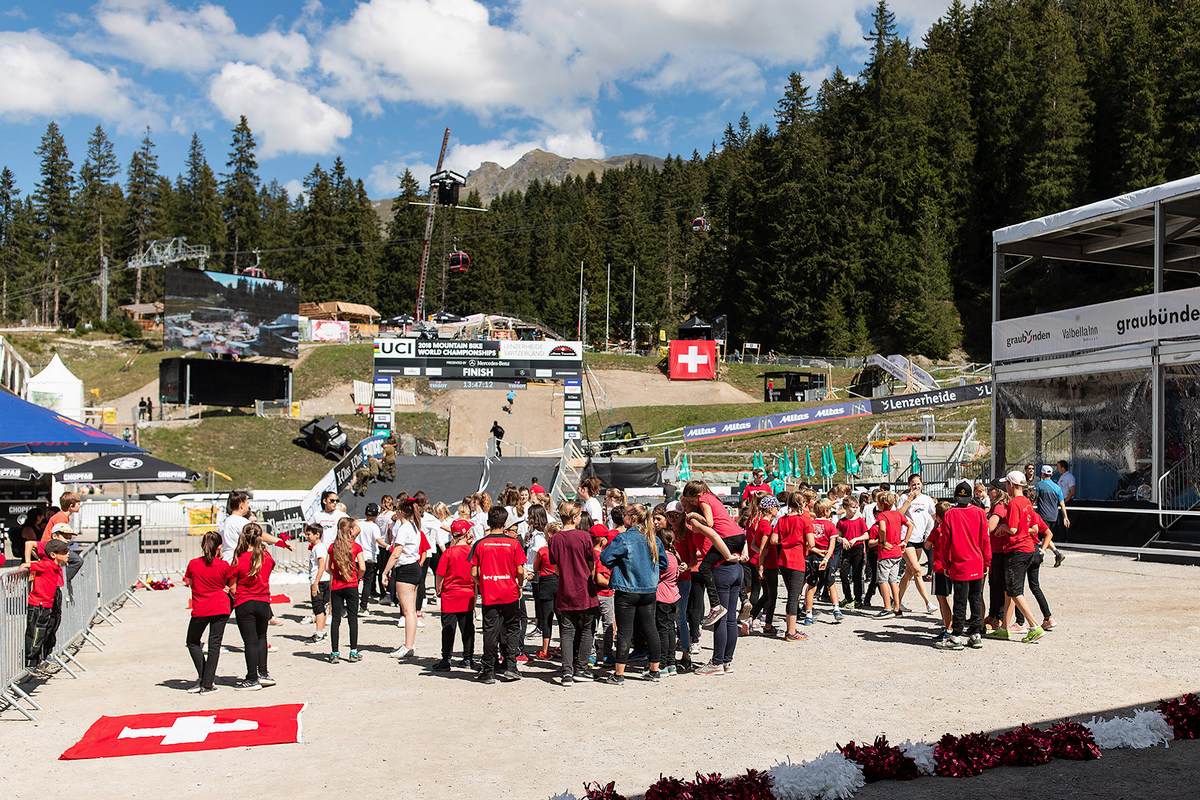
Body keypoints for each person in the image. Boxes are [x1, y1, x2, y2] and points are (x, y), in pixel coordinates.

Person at [597, 504, 668, 684]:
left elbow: (605, 558)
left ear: (633, 518)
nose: (624, 518)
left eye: (626, 515)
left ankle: (619, 674)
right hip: (648, 589)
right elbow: (663, 564)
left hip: (627, 588)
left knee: (624, 631)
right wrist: (650, 573)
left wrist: (618, 564)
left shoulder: (623, 538)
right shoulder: (653, 539)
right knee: (650, 629)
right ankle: (654, 670)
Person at [470, 507, 527, 684]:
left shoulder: (480, 544)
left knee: (490, 631)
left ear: (488, 523)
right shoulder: (514, 543)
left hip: (490, 593)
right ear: (504, 524)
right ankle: (510, 666)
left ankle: (488, 671)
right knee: (511, 629)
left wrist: (483, 583)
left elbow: (473, 572)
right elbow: (520, 569)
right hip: (509, 592)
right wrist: (519, 584)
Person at [988, 471, 1045, 643]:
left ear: (1011, 485)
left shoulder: (1013, 503)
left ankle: (1034, 626)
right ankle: (1005, 628)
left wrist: (1002, 527)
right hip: (1028, 548)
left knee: (1014, 591)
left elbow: (1012, 529)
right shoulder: (1027, 502)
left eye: (1007, 484)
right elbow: (1034, 527)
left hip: (1017, 550)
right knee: (1009, 591)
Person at [547, 501, 600, 685]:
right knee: (587, 629)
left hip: (565, 588)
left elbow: (556, 568)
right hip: (584, 587)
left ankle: (567, 672)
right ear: (575, 517)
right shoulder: (584, 536)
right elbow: (592, 563)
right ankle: (581, 668)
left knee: (567, 631)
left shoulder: (553, 539)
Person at [934, 482, 991, 650]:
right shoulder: (980, 513)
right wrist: (987, 561)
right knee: (975, 599)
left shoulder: (950, 515)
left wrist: (945, 562)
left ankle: (957, 635)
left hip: (960, 562)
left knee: (960, 601)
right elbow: (985, 539)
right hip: (977, 562)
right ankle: (975, 633)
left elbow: (945, 542)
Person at [680, 479, 744, 625]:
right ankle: (744, 599)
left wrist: (694, 516)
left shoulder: (703, 499)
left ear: (698, 495)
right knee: (737, 570)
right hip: (738, 536)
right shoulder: (714, 497)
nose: (691, 504)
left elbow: (710, 524)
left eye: (690, 501)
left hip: (726, 537)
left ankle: (716, 606)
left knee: (704, 568)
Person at [183, 530, 232, 694]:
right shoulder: (224, 565)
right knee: (214, 644)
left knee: (192, 641)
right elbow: (230, 585)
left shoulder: (193, 564)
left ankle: (204, 677)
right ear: (219, 547)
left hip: (201, 607)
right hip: (220, 605)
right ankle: (207, 681)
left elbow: (190, 583)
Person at [231, 523, 275, 691]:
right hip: (263, 601)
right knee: (262, 637)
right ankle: (263, 673)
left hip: (244, 601)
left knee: (249, 641)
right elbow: (270, 568)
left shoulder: (238, 558)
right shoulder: (266, 557)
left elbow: (233, 586)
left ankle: (251, 677)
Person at [432, 520, 477, 672]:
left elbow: (440, 574)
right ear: (466, 534)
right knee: (467, 628)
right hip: (467, 593)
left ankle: (446, 658)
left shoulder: (448, 552)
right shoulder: (471, 551)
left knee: (448, 628)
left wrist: (438, 588)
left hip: (450, 594)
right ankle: (468, 657)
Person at [382, 499, 423, 659]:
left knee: (408, 611)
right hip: (414, 566)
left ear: (400, 512)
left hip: (405, 569)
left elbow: (396, 553)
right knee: (411, 610)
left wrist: (385, 572)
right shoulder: (414, 527)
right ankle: (409, 643)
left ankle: (408, 645)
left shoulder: (405, 528)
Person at [323, 517, 365, 663]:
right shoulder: (355, 547)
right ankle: (353, 651)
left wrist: (335, 575)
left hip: (336, 585)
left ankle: (334, 652)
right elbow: (363, 567)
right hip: (351, 584)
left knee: (336, 619)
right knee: (352, 618)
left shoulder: (332, 546)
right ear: (350, 530)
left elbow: (327, 567)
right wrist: (357, 577)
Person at [24, 539, 68, 674]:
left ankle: (39, 660)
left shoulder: (55, 567)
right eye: (64, 552)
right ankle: (30, 662)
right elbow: (27, 565)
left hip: (47, 605)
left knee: (44, 631)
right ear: (54, 555)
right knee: (35, 632)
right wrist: (25, 566)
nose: (68, 554)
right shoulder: (46, 565)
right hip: (38, 604)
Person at [896, 475, 937, 614]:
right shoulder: (904, 498)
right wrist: (909, 499)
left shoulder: (927, 500)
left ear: (922, 484)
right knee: (918, 571)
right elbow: (899, 515)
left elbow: (934, 516)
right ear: (909, 485)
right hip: (906, 539)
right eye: (913, 484)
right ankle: (928, 603)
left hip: (920, 538)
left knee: (909, 572)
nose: (916, 487)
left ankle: (896, 601)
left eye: (918, 484)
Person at [773, 492, 810, 641]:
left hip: (783, 559)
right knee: (794, 597)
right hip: (797, 559)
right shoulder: (804, 519)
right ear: (802, 504)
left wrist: (786, 542)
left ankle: (790, 628)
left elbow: (774, 540)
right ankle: (791, 631)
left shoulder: (782, 519)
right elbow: (811, 542)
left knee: (791, 595)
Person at [871, 491, 911, 618]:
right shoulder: (897, 514)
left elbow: (882, 528)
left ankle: (887, 608)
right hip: (897, 551)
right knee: (893, 580)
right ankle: (897, 608)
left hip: (886, 552)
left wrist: (882, 541)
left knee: (882, 580)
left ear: (881, 504)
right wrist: (905, 541)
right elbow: (910, 525)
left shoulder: (882, 516)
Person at [803, 499, 842, 625]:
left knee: (811, 586)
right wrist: (826, 559)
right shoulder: (831, 526)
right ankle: (836, 609)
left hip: (813, 557)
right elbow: (832, 545)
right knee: (831, 585)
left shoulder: (811, 524)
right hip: (826, 556)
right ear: (826, 512)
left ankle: (808, 614)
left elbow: (808, 543)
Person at [652, 508, 681, 676]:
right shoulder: (675, 556)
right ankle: (671, 663)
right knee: (670, 629)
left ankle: (663, 663)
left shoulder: (664, 559)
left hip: (662, 597)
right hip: (673, 595)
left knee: (662, 630)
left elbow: (657, 576)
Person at [222, 490, 285, 562]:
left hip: (225, 559)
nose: (248, 506)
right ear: (242, 506)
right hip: (236, 560)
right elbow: (260, 535)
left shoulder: (224, 522)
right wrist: (282, 542)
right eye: (247, 503)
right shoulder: (240, 521)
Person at [750, 495, 781, 635]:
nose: (778, 509)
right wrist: (761, 566)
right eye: (776, 507)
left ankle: (750, 618)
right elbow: (762, 548)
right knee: (772, 595)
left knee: (767, 594)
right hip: (769, 564)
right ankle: (768, 626)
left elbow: (753, 545)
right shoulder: (767, 526)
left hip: (764, 563)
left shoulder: (759, 523)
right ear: (769, 509)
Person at [836, 495, 868, 610]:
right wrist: (843, 539)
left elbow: (866, 535)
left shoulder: (860, 521)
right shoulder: (841, 522)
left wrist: (856, 539)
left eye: (856, 507)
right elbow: (837, 536)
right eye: (852, 507)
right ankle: (848, 597)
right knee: (843, 575)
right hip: (846, 550)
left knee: (857, 575)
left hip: (857, 549)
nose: (855, 510)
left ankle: (858, 599)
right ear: (845, 507)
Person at [1034, 465, 1069, 567]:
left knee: (1042, 537)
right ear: (1051, 474)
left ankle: (1040, 556)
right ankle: (1057, 554)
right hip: (1054, 517)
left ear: (1042, 474)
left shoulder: (1039, 485)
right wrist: (1065, 517)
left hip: (1043, 516)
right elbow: (1062, 503)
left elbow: (1034, 498)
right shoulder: (1057, 487)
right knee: (1046, 536)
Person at [301, 524, 330, 644]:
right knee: (322, 607)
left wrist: (315, 582)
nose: (307, 537)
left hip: (320, 581)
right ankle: (321, 630)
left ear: (317, 534)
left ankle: (319, 632)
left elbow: (322, 565)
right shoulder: (317, 547)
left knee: (318, 607)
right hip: (322, 580)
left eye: (309, 534)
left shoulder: (319, 547)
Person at [357, 504, 385, 613]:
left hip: (358, 556)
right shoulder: (374, 527)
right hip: (370, 556)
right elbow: (378, 540)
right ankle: (363, 606)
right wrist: (387, 546)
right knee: (367, 582)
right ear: (377, 515)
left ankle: (353, 604)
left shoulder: (359, 524)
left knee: (356, 580)